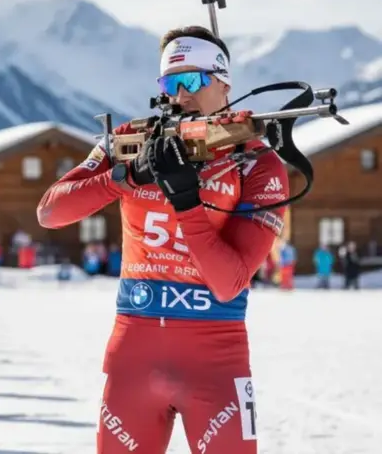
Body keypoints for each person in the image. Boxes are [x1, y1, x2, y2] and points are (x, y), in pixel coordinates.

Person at [36, 26, 287, 454]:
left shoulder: (257, 164)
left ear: (223, 81)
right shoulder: (133, 142)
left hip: (216, 359)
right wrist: (127, 177)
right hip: (133, 353)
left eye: (191, 81)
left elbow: (230, 282)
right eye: (168, 84)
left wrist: (186, 203)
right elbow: (51, 211)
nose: (179, 96)